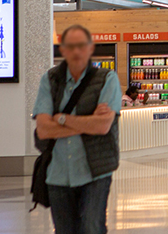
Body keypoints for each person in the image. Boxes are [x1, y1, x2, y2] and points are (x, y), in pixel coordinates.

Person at [33, 25, 122, 234]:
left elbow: (102, 126)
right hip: (57, 174)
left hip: (95, 172)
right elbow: (44, 130)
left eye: (81, 46)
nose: (76, 52)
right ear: (62, 50)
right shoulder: (50, 80)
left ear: (90, 48)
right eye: (70, 46)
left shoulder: (107, 79)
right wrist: (87, 122)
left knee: (92, 227)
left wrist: (62, 119)